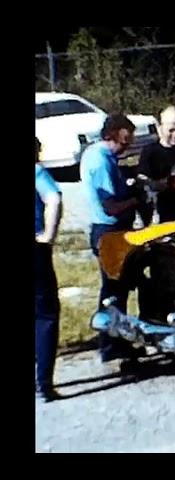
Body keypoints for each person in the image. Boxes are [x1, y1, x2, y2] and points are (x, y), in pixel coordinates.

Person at [80, 113, 144, 365]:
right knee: (114, 291)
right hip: (109, 231)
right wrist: (136, 199)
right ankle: (111, 344)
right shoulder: (102, 161)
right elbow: (111, 206)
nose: (127, 146)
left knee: (117, 287)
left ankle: (115, 341)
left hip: (108, 231)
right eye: (124, 141)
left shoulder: (98, 154)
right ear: (112, 136)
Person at [35, 137, 63, 402]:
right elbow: (53, 199)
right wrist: (48, 236)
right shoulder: (37, 172)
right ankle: (43, 383)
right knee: (45, 315)